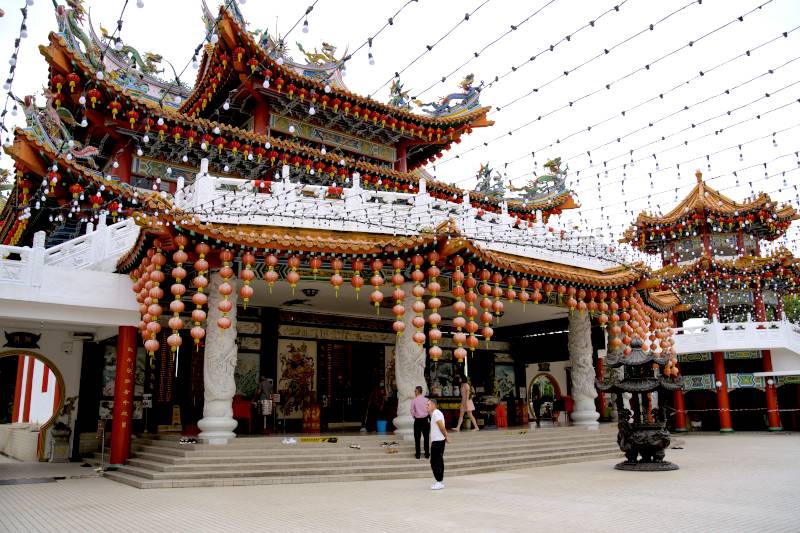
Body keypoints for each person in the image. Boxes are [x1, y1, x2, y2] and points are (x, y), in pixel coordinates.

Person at [427, 398, 450, 490]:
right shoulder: (435, 413)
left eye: (428, 405)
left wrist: (446, 436)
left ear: (433, 405)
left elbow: (441, 426)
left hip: (438, 441)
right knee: (438, 461)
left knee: (435, 461)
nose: (426, 406)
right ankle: (440, 481)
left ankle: (439, 481)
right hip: (437, 440)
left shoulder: (436, 413)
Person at [410, 385, 430, 459]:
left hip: (417, 421)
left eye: (415, 391)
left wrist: (415, 415)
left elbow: (412, 411)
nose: (414, 392)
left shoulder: (414, 400)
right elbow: (429, 410)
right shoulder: (427, 400)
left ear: (418, 391)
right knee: (426, 438)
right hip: (425, 420)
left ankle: (418, 454)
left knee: (417, 438)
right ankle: (427, 454)